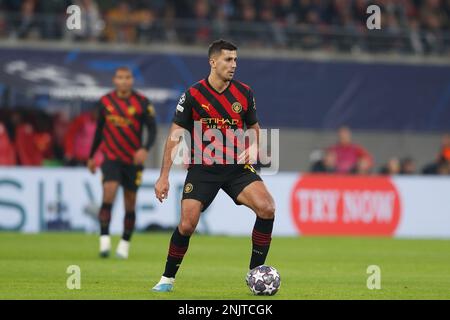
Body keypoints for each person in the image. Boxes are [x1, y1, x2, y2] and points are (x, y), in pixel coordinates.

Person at [152, 39, 275, 292]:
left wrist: (253, 147)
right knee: (187, 224)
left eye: (236, 60)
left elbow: (253, 127)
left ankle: (255, 274)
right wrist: (163, 177)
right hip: (202, 169)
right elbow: (175, 135)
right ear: (213, 62)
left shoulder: (244, 93)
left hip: (235, 168)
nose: (234, 65)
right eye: (228, 60)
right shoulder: (193, 95)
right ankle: (167, 279)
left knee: (267, 208)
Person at [87, 67, 157, 259]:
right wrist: (92, 156)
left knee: (130, 202)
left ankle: (125, 243)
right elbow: (99, 131)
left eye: (127, 77)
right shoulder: (105, 102)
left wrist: (144, 148)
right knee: (108, 193)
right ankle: (104, 240)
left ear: (132, 80)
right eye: (120, 77)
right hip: (110, 157)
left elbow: (152, 130)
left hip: (132, 160)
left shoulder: (142, 102)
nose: (124, 81)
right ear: (114, 80)